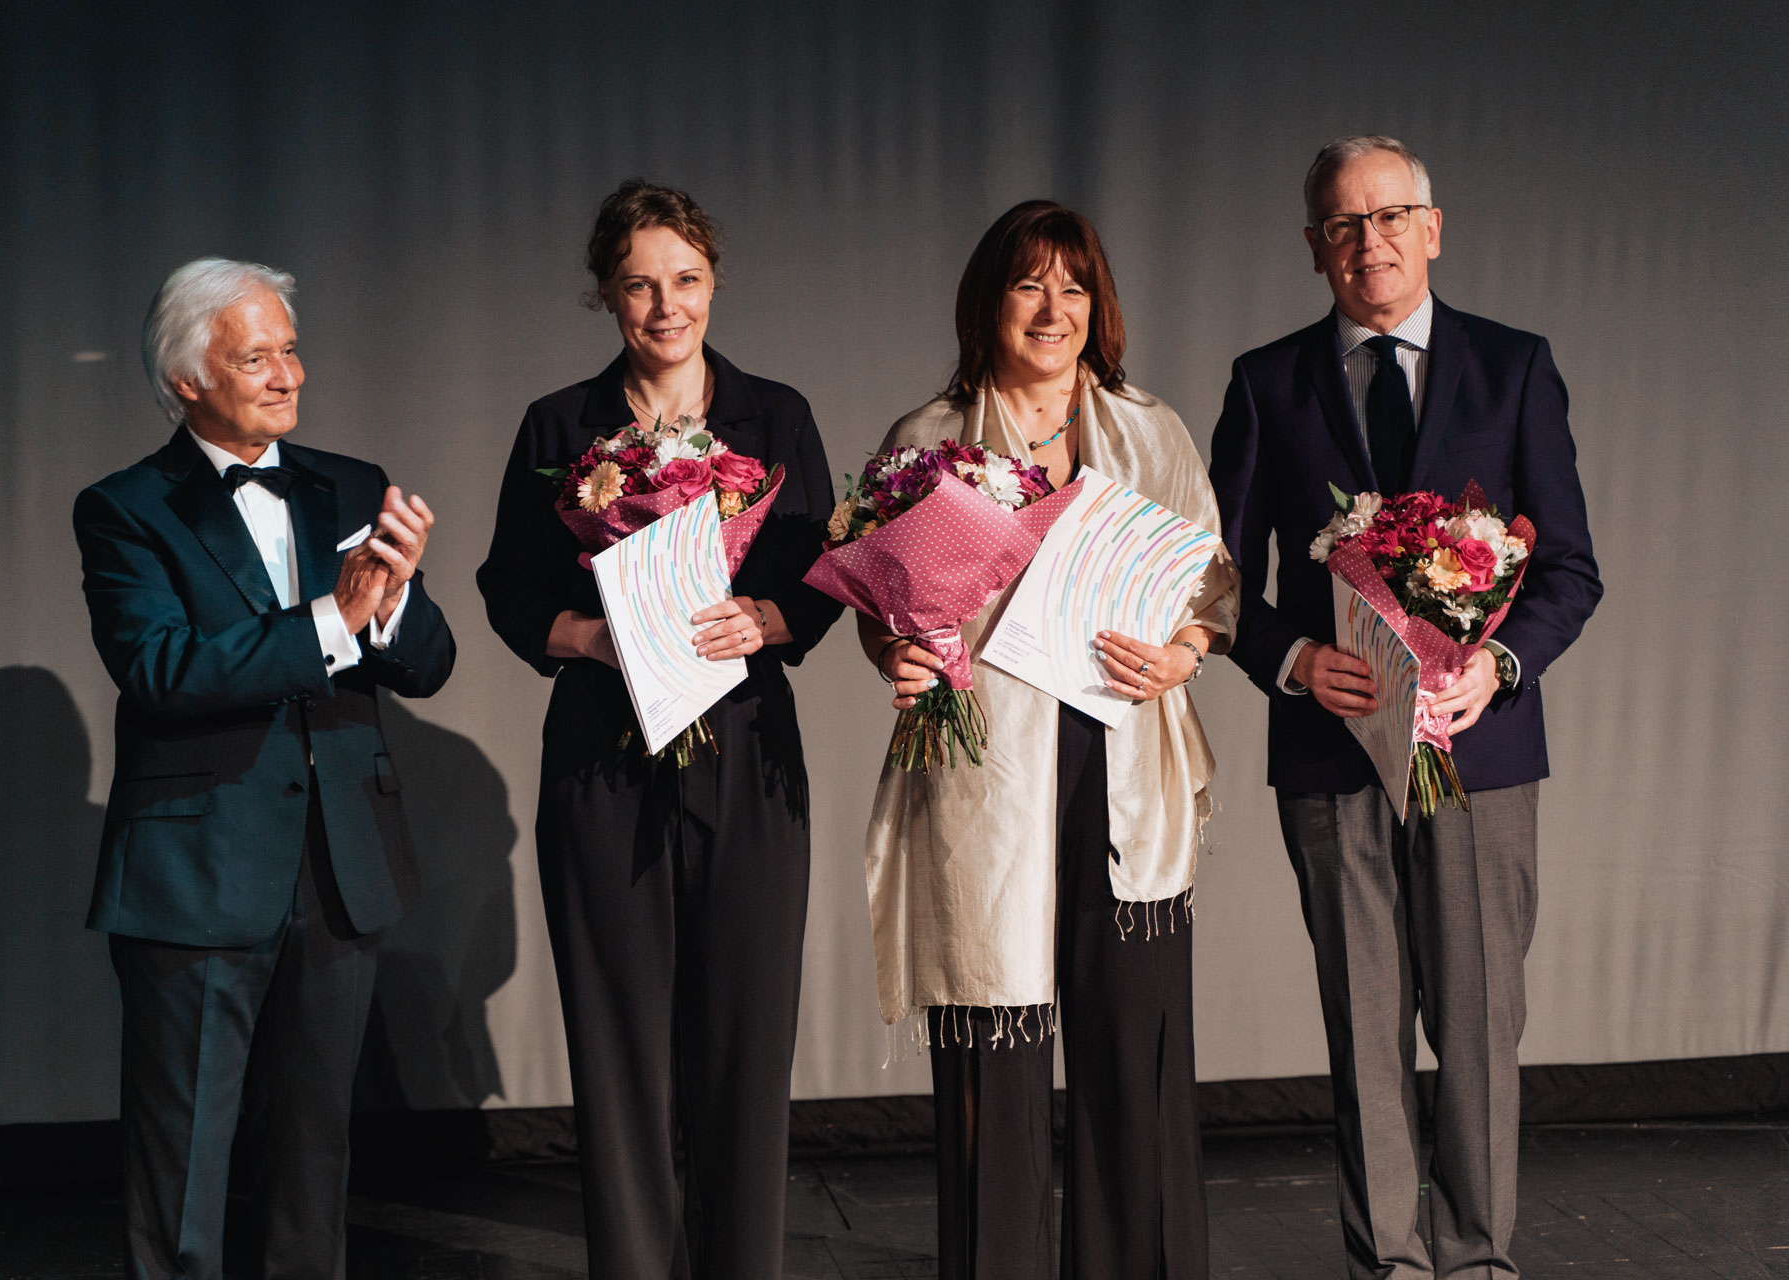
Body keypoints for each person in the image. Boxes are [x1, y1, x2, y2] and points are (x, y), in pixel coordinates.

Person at [1208, 136, 1603, 1278]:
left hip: (1480, 752)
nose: (1368, 242)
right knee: (1364, 1025)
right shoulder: (1266, 382)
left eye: (1389, 218)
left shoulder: (1514, 368)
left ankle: (1477, 1263)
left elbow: (1569, 568)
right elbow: (1216, 579)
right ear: (1314, 246)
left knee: (1479, 1026)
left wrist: (1499, 667)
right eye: (1344, 224)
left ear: (1432, 228)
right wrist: (1294, 661)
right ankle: (1388, 1264)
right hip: (1332, 753)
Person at [862, 200, 1239, 1279]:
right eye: (1029, 283)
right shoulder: (927, 441)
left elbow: (1210, 582)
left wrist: (1186, 652)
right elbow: (884, 608)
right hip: (986, 775)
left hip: (1124, 764)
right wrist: (893, 652)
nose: (1052, 308)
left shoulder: (1150, 431)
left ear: (1098, 307)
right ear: (989, 300)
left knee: (1137, 1067)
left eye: (1074, 287)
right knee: (996, 1061)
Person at [475, 179, 842, 1278]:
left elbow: (823, 572)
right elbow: (507, 588)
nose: (665, 305)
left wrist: (768, 617)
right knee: (619, 1049)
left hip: (747, 752)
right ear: (607, 294)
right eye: (638, 284)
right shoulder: (560, 425)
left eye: (685, 279)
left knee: (746, 1048)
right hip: (604, 757)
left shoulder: (776, 417)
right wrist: (589, 638)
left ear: (714, 282)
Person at [73, 257, 456, 1279]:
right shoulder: (125, 508)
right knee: (183, 1167)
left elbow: (429, 664)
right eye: (256, 357)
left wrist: (395, 604)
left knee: (313, 1164)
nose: (288, 374)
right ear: (188, 378)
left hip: (340, 867)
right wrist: (335, 617)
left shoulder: (353, 484)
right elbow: (162, 669)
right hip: (197, 875)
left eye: (290, 349)